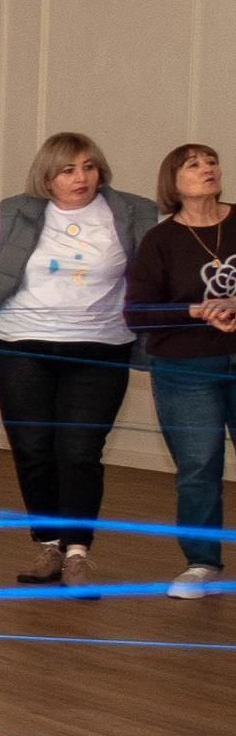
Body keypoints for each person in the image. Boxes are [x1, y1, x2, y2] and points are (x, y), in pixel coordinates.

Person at [0, 131, 156, 587]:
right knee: (32, 447)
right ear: (47, 176)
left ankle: (77, 552)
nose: (81, 177)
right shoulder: (10, 214)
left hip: (100, 348)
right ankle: (49, 544)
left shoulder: (134, 212)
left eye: (89, 167)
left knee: (80, 450)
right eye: (68, 170)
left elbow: (152, 276)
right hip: (19, 346)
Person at [124, 142, 235, 599]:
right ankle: (201, 563)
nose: (207, 168)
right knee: (199, 466)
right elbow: (137, 313)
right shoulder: (160, 240)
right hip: (185, 367)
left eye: (211, 161)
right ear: (173, 182)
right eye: (194, 164)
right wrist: (195, 310)